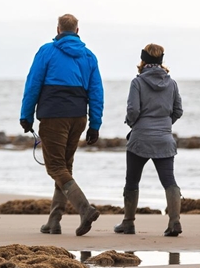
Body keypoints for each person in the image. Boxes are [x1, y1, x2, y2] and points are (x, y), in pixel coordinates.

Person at [19, 14, 104, 236]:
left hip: (54, 116)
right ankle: (54, 221)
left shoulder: (47, 51)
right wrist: (95, 124)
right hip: (78, 117)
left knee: (56, 168)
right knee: (64, 167)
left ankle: (85, 209)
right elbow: (96, 93)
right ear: (77, 30)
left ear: (58, 29)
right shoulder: (89, 56)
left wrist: (26, 115)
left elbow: (33, 84)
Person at [114, 43, 183, 237]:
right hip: (165, 139)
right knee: (169, 180)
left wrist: (132, 123)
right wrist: (165, 125)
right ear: (161, 60)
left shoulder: (137, 83)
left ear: (143, 59)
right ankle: (174, 221)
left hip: (140, 139)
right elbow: (178, 110)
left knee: (132, 181)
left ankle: (128, 223)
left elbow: (133, 111)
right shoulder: (172, 83)